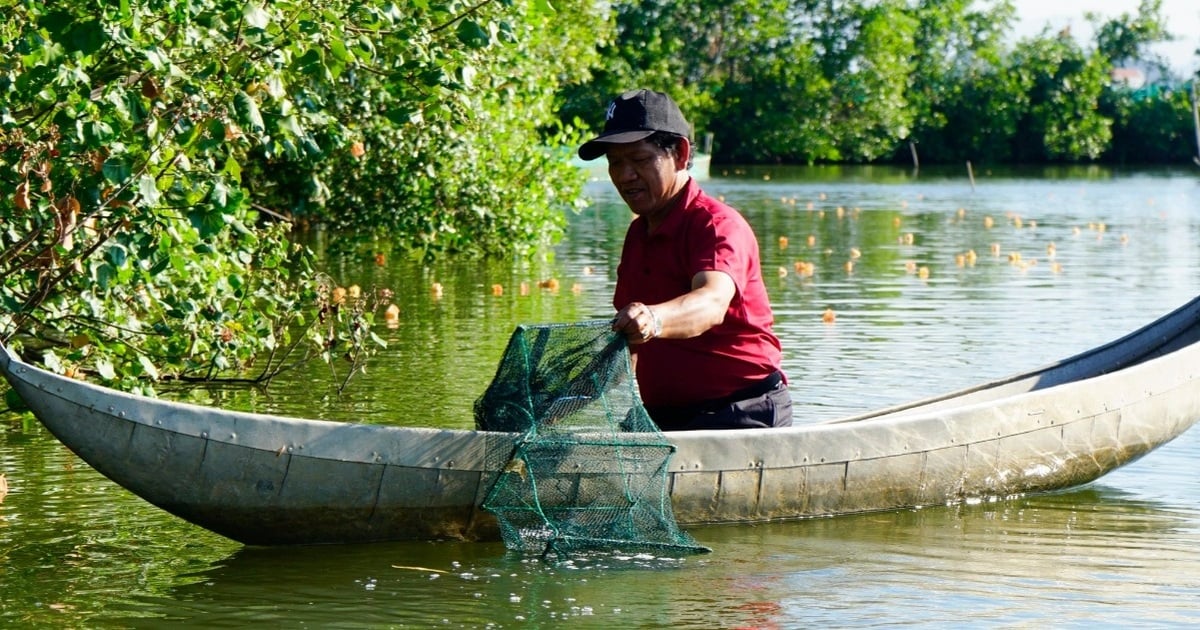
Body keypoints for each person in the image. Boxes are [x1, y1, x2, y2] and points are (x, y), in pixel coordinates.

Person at [577, 89, 792, 431]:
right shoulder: (638, 234)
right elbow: (629, 345)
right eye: (615, 162)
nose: (625, 174)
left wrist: (653, 318)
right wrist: (565, 400)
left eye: (639, 159)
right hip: (665, 416)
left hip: (741, 414)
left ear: (679, 153)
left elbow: (710, 302)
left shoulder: (716, 225)